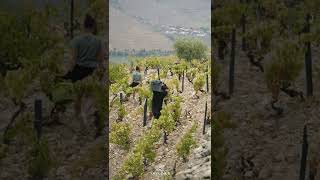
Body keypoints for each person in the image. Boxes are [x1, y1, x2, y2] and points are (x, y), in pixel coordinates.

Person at [62, 14, 105, 135]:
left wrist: (67, 73)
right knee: (93, 97)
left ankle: (83, 126)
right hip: (92, 72)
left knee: (78, 99)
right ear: (93, 26)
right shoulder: (98, 41)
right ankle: (93, 122)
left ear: (84, 26)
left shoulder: (76, 40)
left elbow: (73, 59)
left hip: (78, 72)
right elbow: (101, 59)